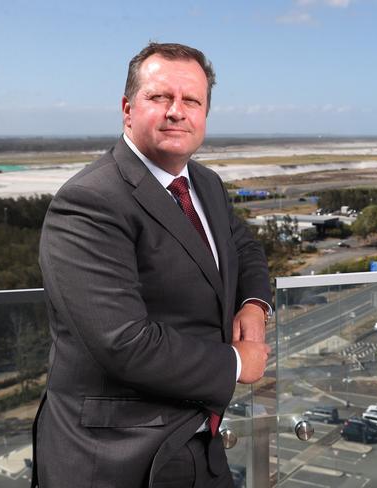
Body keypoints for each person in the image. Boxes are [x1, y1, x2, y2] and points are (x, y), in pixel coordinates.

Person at [32, 42, 273, 488]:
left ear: (205, 114)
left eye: (191, 101)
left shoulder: (204, 183)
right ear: (127, 108)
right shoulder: (90, 201)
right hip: (116, 459)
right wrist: (236, 364)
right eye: (160, 97)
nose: (176, 112)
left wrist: (254, 305)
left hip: (201, 445)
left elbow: (245, 249)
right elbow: (123, 341)